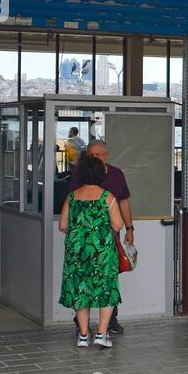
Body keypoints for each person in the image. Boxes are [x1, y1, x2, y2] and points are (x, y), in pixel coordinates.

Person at [59, 154, 124, 349]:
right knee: (106, 290)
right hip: (102, 252)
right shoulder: (107, 197)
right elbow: (118, 224)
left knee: (80, 291)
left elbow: (63, 225)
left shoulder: (72, 197)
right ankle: (102, 334)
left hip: (77, 252)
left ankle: (83, 335)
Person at [69, 140, 132, 335]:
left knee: (109, 278)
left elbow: (124, 203)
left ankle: (111, 319)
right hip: (83, 240)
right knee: (83, 278)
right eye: (91, 155)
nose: (93, 158)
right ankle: (82, 322)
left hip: (109, 237)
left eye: (97, 155)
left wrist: (130, 228)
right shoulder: (80, 174)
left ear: (106, 155)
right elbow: (70, 206)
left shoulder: (116, 174)